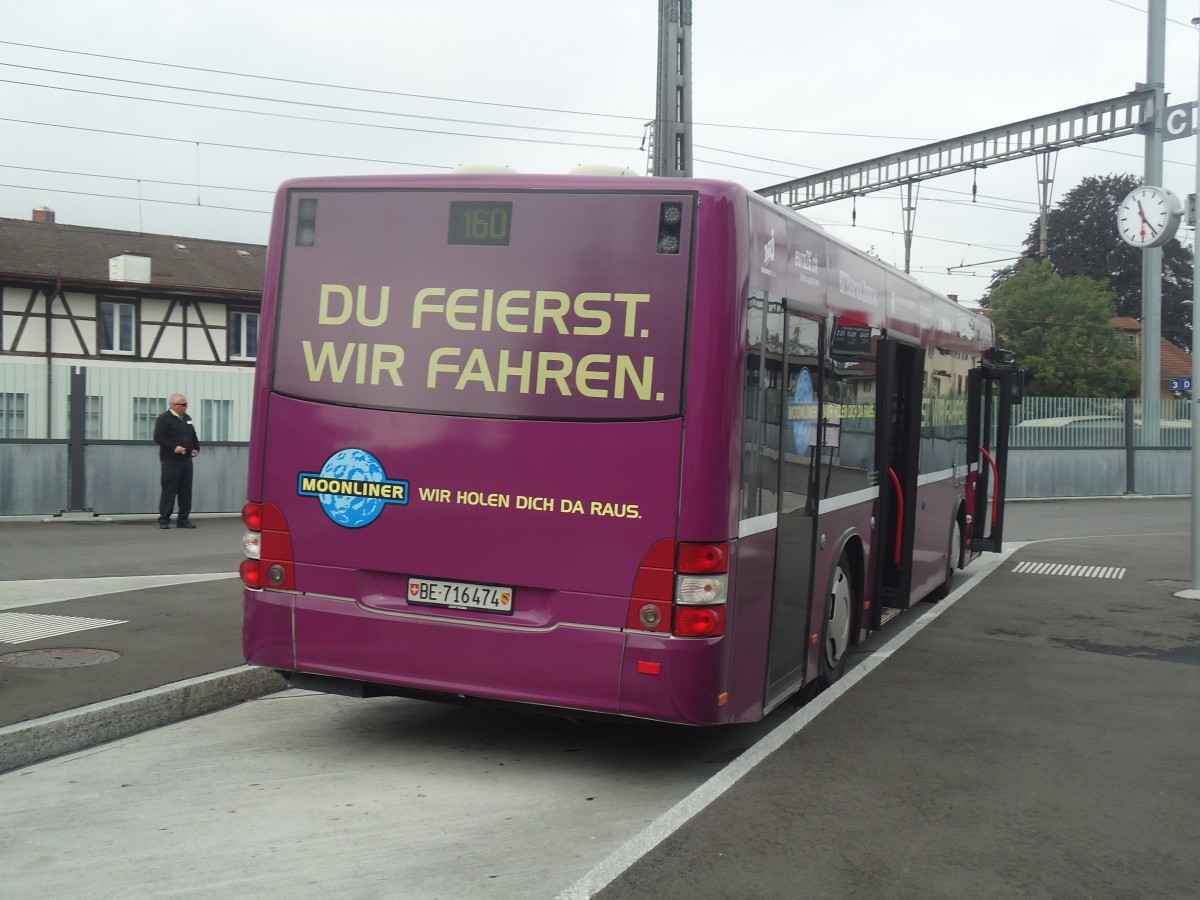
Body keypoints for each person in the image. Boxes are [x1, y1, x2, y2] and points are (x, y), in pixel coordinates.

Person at [154, 393, 201, 529]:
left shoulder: (187, 418)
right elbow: (158, 437)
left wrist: (196, 448)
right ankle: (164, 519)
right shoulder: (164, 419)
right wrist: (174, 448)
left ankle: (183, 519)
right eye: (183, 404)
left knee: (186, 491)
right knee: (169, 490)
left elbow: (193, 434)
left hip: (186, 460)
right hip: (170, 461)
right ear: (174, 405)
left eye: (186, 404)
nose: (186, 407)